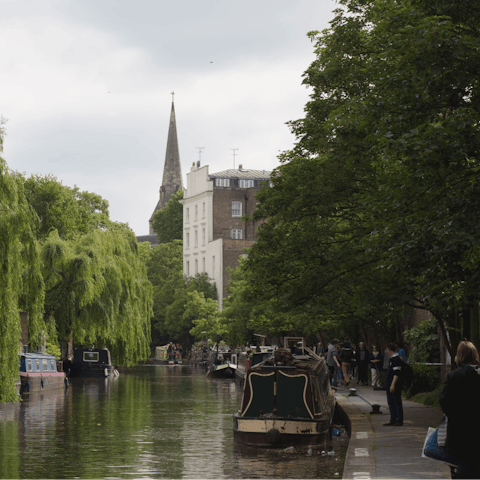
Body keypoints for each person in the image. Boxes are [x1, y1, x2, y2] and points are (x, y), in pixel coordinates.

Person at [439, 340, 480, 479]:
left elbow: (444, 401)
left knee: (461, 467)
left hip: (459, 431)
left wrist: (454, 414)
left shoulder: (453, 376)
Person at [383, 342, 404, 427]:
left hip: (394, 385)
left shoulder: (396, 360)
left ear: (389, 350)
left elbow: (396, 373)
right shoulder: (392, 359)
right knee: (391, 402)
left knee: (396, 402)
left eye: (387, 350)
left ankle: (399, 419)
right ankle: (393, 419)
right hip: (389, 384)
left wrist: (393, 385)